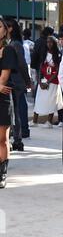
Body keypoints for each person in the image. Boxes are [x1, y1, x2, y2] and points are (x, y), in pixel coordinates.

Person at [5, 18, 31, 151]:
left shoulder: (15, 44)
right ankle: (15, 138)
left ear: (10, 29)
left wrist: (27, 81)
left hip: (16, 82)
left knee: (17, 111)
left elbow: (22, 64)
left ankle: (18, 140)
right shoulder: (11, 43)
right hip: (11, 81)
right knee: (13, 111)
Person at [30, 36, 63, 128]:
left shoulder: (57, 54)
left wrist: (48, 82)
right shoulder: (44, 53)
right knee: (39, 100)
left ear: (54, 44)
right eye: (48, 42)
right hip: (44, 79)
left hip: (53, 81)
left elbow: (57, 71)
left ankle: (49, 121)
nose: (49, 44)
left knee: (51, 101)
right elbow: (40, 67)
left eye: (51, 42)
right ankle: (35, 120)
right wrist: (40, 81)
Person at [0, 17, 17, 188]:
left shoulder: (8, 50)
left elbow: (3, 79)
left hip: (3, 100)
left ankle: (2, 173)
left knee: (2, 139)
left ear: (6, 30)